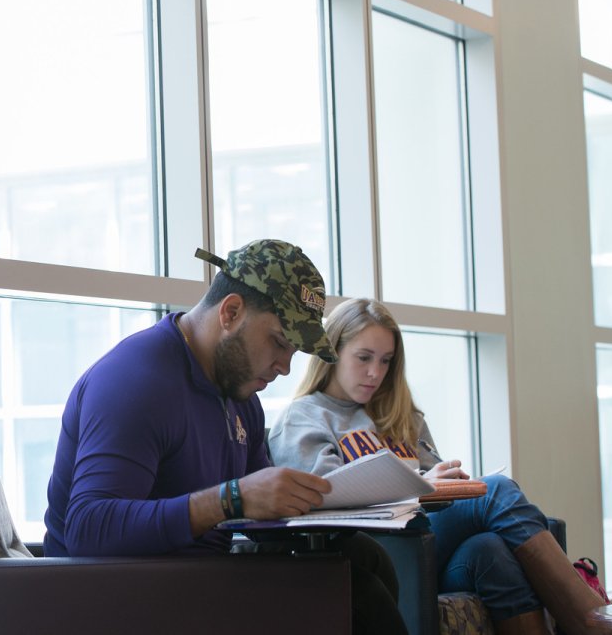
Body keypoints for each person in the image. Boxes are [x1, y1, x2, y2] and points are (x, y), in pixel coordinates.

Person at [44, 240, 408, 635]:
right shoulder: (136, 381)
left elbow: (259, 512)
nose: (285, 367)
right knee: (361, 596)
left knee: (365, 559)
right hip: (120, 597)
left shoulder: (241, 397)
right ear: (231, 312)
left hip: (199, 582)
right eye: (279, 343)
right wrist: (230, 499)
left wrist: (328, 504)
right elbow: (87, 529)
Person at [268, 297, 612, 635]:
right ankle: (594, 624)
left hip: (428, 546)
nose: (375, 373)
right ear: (331, 352)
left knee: (488, 550)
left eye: (386, 361)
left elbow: (436, 487)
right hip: (380, 552)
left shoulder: (400, 414)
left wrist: (443, 483)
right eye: (363, 358)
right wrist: (417, 486)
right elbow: (326, 498)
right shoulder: (305, 418)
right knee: (497, 491)